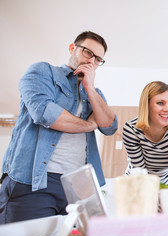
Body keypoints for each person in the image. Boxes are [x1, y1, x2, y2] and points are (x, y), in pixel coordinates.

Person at [0, 31, 118, 224]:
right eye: (88, 53)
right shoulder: (42, 71)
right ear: (73, 48)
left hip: (78, 186)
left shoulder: (94, 92)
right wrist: (89, 125)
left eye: (98, 59)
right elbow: (46, 114)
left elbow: (110, 126)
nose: (92, 61)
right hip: (34, 182)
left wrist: (89, 87)